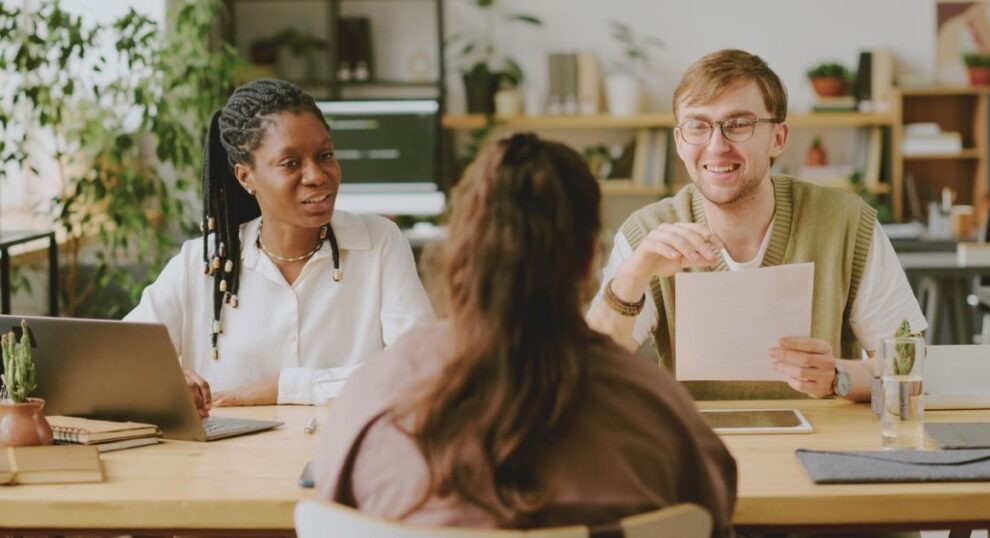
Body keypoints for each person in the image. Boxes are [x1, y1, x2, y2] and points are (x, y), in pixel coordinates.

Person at [314, 134, 737, 536]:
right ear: (590, 258)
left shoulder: (373, 395)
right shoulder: (657, 409)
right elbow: (712, 517)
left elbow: (331, 509)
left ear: (459, 249)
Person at [587, 49, 927, 401]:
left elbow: (912, 367)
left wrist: (839, 376)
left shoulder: (846, 222)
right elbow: (589, 373)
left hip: (818, 445)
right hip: (697, 446)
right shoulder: (647, 234)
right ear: (679, 142)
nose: (716, 146)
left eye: (738, 124)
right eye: (698, 126)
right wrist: (633, 276)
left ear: (778, 138)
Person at [125, 78, 434, 412]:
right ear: (246, 177)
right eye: (291, 163)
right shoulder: (199, 264)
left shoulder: (380, 244)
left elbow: (421, 371)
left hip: (341, 459)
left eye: (325, 155)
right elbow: (118, 361)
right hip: (225, 464)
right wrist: (163, 381)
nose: (317, 174)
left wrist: (284, 387)